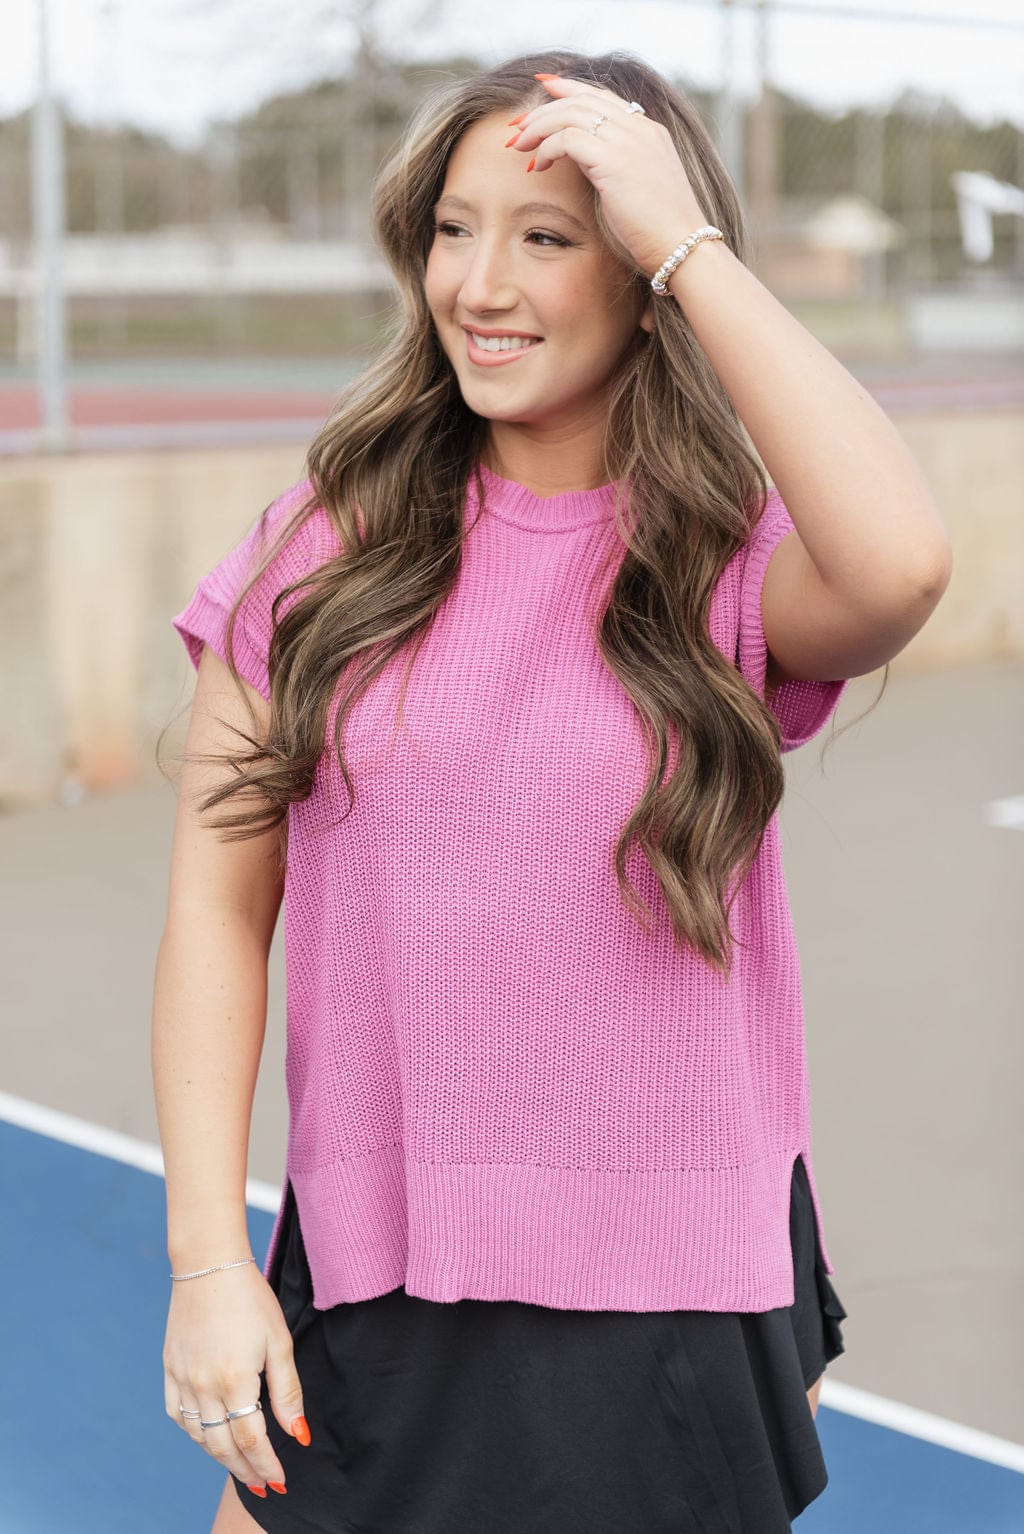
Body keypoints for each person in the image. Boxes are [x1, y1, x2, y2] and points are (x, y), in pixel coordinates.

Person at [153, 47, 952, 1534]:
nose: (480, 284)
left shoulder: (722, 561)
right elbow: (215, 908)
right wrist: (207, 1260)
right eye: (454, 229)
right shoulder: (321, 547)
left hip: (674, 1288)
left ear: (643, 276)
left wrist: (685, 241)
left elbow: (903, 565)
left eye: (549, 235)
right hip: (380, 1258)